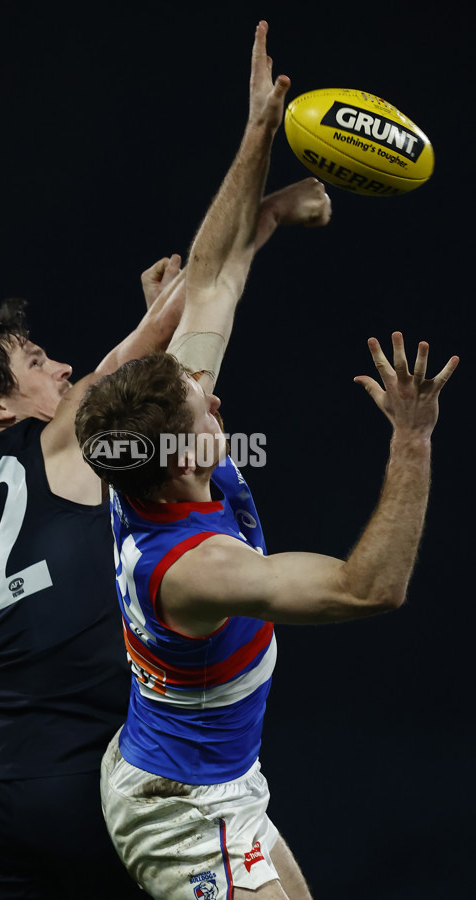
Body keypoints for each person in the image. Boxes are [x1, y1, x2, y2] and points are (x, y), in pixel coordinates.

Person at [0, 21, 331, 898]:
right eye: (34, 363)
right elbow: (195, 297)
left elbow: (166, 335)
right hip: (77, 778)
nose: (60, 366)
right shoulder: (64, 435)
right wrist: (272, 198)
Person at [74, 20, 458, 900]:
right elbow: (370, 589)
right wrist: (412, 440)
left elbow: (211, 278)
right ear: (177, 455)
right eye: (200, 408)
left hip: (210, 773)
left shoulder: (150, 452)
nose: (214, 397)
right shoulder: (197, 568)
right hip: (183, 807)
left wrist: (257, 139)